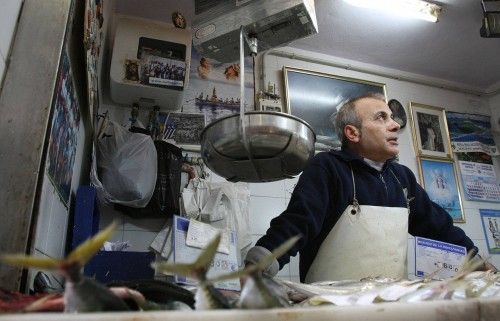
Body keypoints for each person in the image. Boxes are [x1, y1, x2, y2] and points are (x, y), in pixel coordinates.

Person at [245, 93, 496, 283]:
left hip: (387, 304)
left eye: (392, 117)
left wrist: (476, 262)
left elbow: (438, 226)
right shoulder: (327, 167)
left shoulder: (402, 177)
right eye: (381, 117)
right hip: (330, 305)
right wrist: (261, 262)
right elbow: (298, 222)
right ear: (352, 133)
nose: (395, 124)